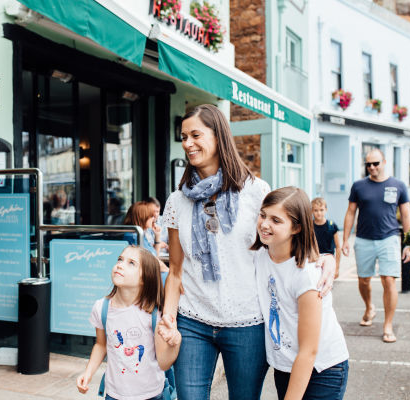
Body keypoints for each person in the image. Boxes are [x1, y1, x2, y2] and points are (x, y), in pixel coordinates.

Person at [157, 104, 336, 400]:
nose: (187, 143)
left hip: (247, 322)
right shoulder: (177, 201)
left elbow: (287, 235)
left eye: (195, 135)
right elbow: (176, 269)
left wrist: (324, 259)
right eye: (183, 137)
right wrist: (168, 316)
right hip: (193, 320)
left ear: (219, 136)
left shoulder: (254, 190)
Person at [252, 187, 349, 400]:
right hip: (285, 364)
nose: (265, 224)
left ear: (296, 227)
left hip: (323, 368)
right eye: (263, 215)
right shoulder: (259, 256)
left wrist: (330, 258)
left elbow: (309, 351)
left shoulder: (307, 274)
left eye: (276, 220)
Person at [76, 245, 181, 400]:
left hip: (152, 394)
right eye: (120, 259)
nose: (120, 265)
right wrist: (88, 372)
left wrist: (175, 340)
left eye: (131, 263)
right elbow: (101, 344)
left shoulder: (154, 313)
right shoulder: (101, 308)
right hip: (114, 394)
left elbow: (164, 362)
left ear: (145, 278)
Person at [342, 149, 410, 343]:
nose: (371, 167)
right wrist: (345, 239)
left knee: (388, 280)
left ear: (384, 162)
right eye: (368, 164)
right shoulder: (358, 186)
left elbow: (406, 215)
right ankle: (369, 307)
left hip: (389, 239)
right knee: (364, 280)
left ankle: (388, 325)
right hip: (364, 239)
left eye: (375, 163)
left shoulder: (398, 185)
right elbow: (350, 212)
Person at [123, 201, 169, 275]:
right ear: (143, 218)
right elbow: (151, 263)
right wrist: (169, 272)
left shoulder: (140, 235)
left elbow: (154, 257)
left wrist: (157, 236)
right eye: (151, 216)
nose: (154, 219)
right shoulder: (134, 237)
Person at [311, 197, 341, 278]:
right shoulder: (309, 226)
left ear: (326, 210)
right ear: (311, 211)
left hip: (328, 260)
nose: (319, 213)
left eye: (321, 210)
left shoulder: (331, 225)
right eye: (316, 210)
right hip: (314, 260)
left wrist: (337, 268)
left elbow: (338, 247)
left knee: (327, 286)